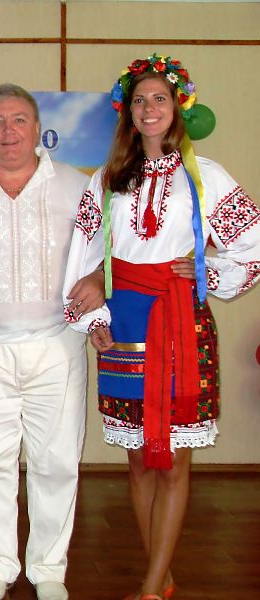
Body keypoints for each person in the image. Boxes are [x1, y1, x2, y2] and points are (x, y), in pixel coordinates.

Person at [62, 54, 260, 600]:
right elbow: (82, 254)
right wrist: (92, 313)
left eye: (160, 98)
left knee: (171, 460)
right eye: (139, 100)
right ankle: (162, 577)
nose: (149, 108)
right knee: (137, 460)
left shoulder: (206, 176)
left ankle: (151, 588)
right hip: (124, 321)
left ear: (178, 107)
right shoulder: (106, 179)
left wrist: (207, 269)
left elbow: (253, 247)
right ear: (127, 111)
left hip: (180, 322)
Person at [0, 84, 102, 600]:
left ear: (37, 128)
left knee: (57, 461)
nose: (8, 131)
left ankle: (49, 569)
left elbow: (106, 253)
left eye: (19, 120)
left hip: (57, 344)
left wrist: (99, 281)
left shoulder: (77, 187)